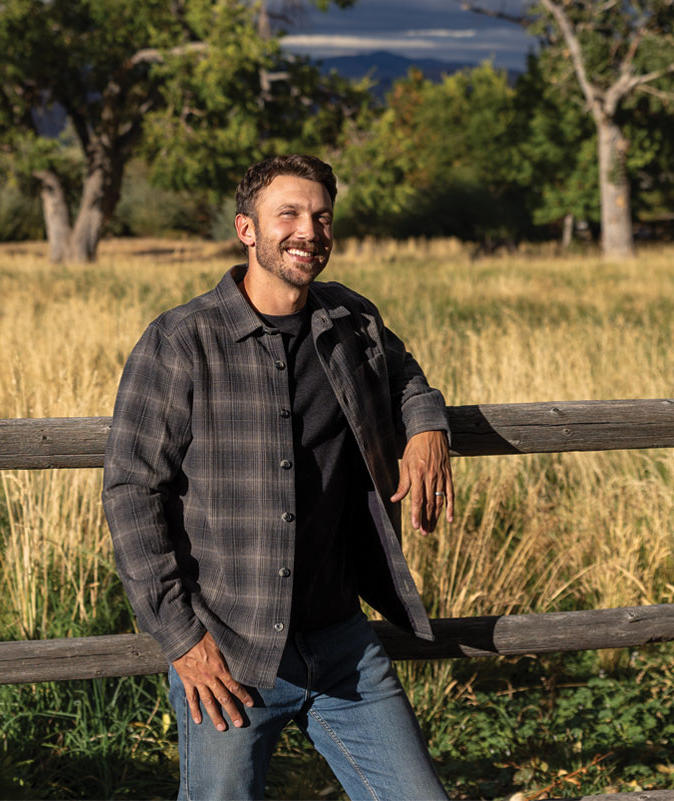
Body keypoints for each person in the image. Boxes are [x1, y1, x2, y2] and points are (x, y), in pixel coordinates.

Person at [102, 154, 454, 801]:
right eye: (288, 213)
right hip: (228, 651)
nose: (308, 231)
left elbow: (406, 376)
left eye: (321, 216)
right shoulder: (182, 340)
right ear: (246, 229)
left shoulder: (350, 322)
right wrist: (183, 641)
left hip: (344, 644)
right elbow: (131, 491)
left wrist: (428, 426)